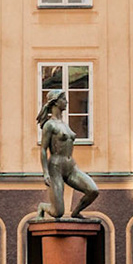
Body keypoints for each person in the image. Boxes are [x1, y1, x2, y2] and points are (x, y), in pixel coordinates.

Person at [36, 91, 98, 219]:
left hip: (71, 166)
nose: (66, 102)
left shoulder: (64, 124)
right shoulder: (49, 125)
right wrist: (46, 173)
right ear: (55, 102)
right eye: (63, 99)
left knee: (93, 190)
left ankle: (76, 212)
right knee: (58, 212)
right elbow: (43, 150)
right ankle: (43, 207)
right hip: (55, 167)